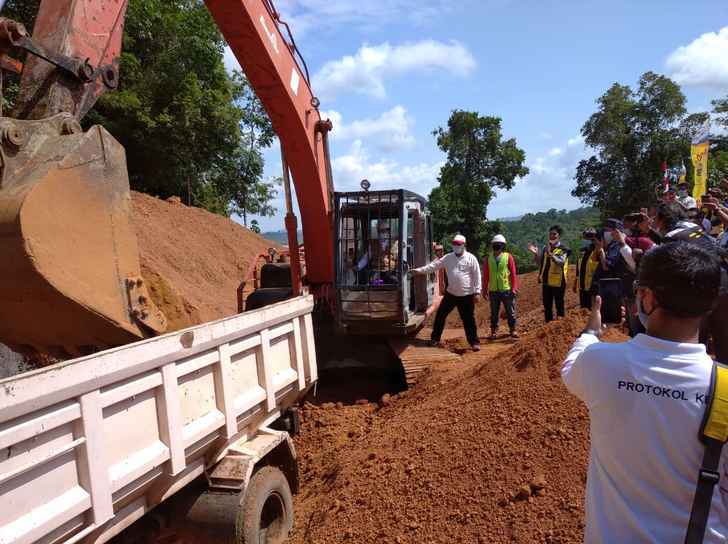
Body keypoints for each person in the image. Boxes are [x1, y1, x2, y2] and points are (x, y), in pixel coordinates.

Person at [561, 242, 725, 542]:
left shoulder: (601, 364)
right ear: (711, 302)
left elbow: (571, 366)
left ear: (646, 297)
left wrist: (591, 331)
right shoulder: (724, 388)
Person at [411, 234, 481, 351]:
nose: (456, 246)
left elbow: (477, 275)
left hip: (466, 295)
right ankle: (435, 339)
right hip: (451, 294)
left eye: (458, 244)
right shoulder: (448, 258)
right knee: (440, 315)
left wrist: (477, 292)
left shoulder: (471, 258)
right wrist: (418, 271)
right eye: (454, 244)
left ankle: (474, 342)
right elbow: (433, 266)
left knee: (469, 319)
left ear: (464, 245)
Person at [528, 225, 570, 322]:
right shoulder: (545, 249)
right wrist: (535, 254)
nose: (552, 236)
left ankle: (560, 327)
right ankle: (548, 327)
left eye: (554, 234)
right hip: (546, 282)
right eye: (550, 234)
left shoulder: (563, 248)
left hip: (558, 282)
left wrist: (551, 254)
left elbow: (561, 262)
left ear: (559, 235)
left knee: (559, 306)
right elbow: (540, 264)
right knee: (547, 307)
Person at [482, 234, 518, 339]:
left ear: (502, 246)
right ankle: (494, 332)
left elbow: (513, 274)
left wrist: (514, 288)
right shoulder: (488, 259)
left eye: (498, 245)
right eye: (494, 244)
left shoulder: (508, 257)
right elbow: (486, 276)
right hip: (493, 290)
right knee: (494, 313)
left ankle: (513, 330)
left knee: (510, 311)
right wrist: (484, 290)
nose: (496, 246)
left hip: (506, 289)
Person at [354, 219, 399, 284]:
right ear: (378, 231)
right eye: (381, 231)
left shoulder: (395, 243)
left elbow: (398, 258)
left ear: (388, 231)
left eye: (386, 230)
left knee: (394, 281)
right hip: (375, 271)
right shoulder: (373, 243)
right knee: (361, 281)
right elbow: (366, 257)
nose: (384, 233)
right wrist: (358, 266)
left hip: (390, 271)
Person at [573, 228, 599, 310]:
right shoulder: (582, 251)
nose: (585, 239)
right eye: (584, 237)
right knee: (583, 309)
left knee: (592, 309)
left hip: (593, 287)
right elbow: (578, 267)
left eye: (588, 237)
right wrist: (575, 281)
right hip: (582, 285)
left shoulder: (597, 250)